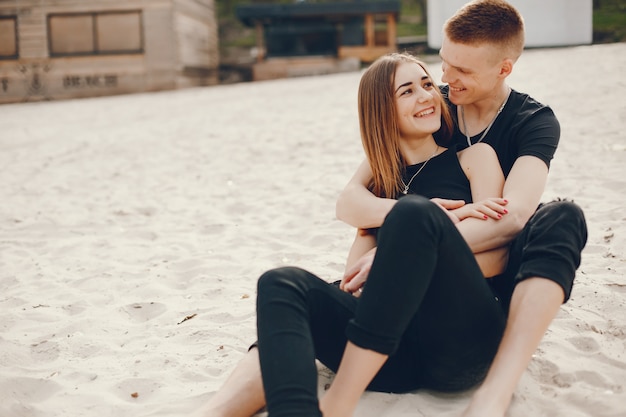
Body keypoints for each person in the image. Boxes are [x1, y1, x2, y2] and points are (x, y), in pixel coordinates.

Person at [196, 52, 513, 417]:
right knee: (280, 284)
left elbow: (496, 245)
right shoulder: (379, 189)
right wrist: (418, 219)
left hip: (462, 343)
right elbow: (356, 282)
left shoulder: (474, 159)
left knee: (414, 212)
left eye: (427, 84)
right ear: (382, 111)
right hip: (395, 356)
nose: (427, 95)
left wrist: (431, 227)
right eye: (407, 91)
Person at [335, 1, 588, 416]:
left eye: (463, 71)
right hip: (429, 282)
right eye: (444, 62)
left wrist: (403, 251)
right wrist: (403, 238)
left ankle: (498, 390)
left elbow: (514, 216)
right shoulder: (434, 107)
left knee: (562, 217)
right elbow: (351, 198)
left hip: (491, 275)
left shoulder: (532, 121)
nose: (446, 80)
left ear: (504, 69)